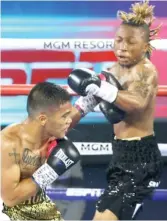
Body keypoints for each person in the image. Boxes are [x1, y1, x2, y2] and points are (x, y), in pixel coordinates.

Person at [67, 1, 163, 220]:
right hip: (119, 156)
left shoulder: (146, 71)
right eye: (119, 40)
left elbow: (137, 102)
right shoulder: (110, 72)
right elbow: (87, 103)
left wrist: (100, 87)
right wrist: (66, 122)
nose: (122, 47)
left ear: (145, 46)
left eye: (131, 42)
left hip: (142, 160)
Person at [1, 82, 80, 220]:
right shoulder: (9, 144)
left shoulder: (52, 129)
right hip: (7, 208)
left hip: (39, 203)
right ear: (43, 119)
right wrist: (50, 171)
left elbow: (74, 114)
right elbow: (10, 199)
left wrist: (94, 97)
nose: (69, 121)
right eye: (64, 116)